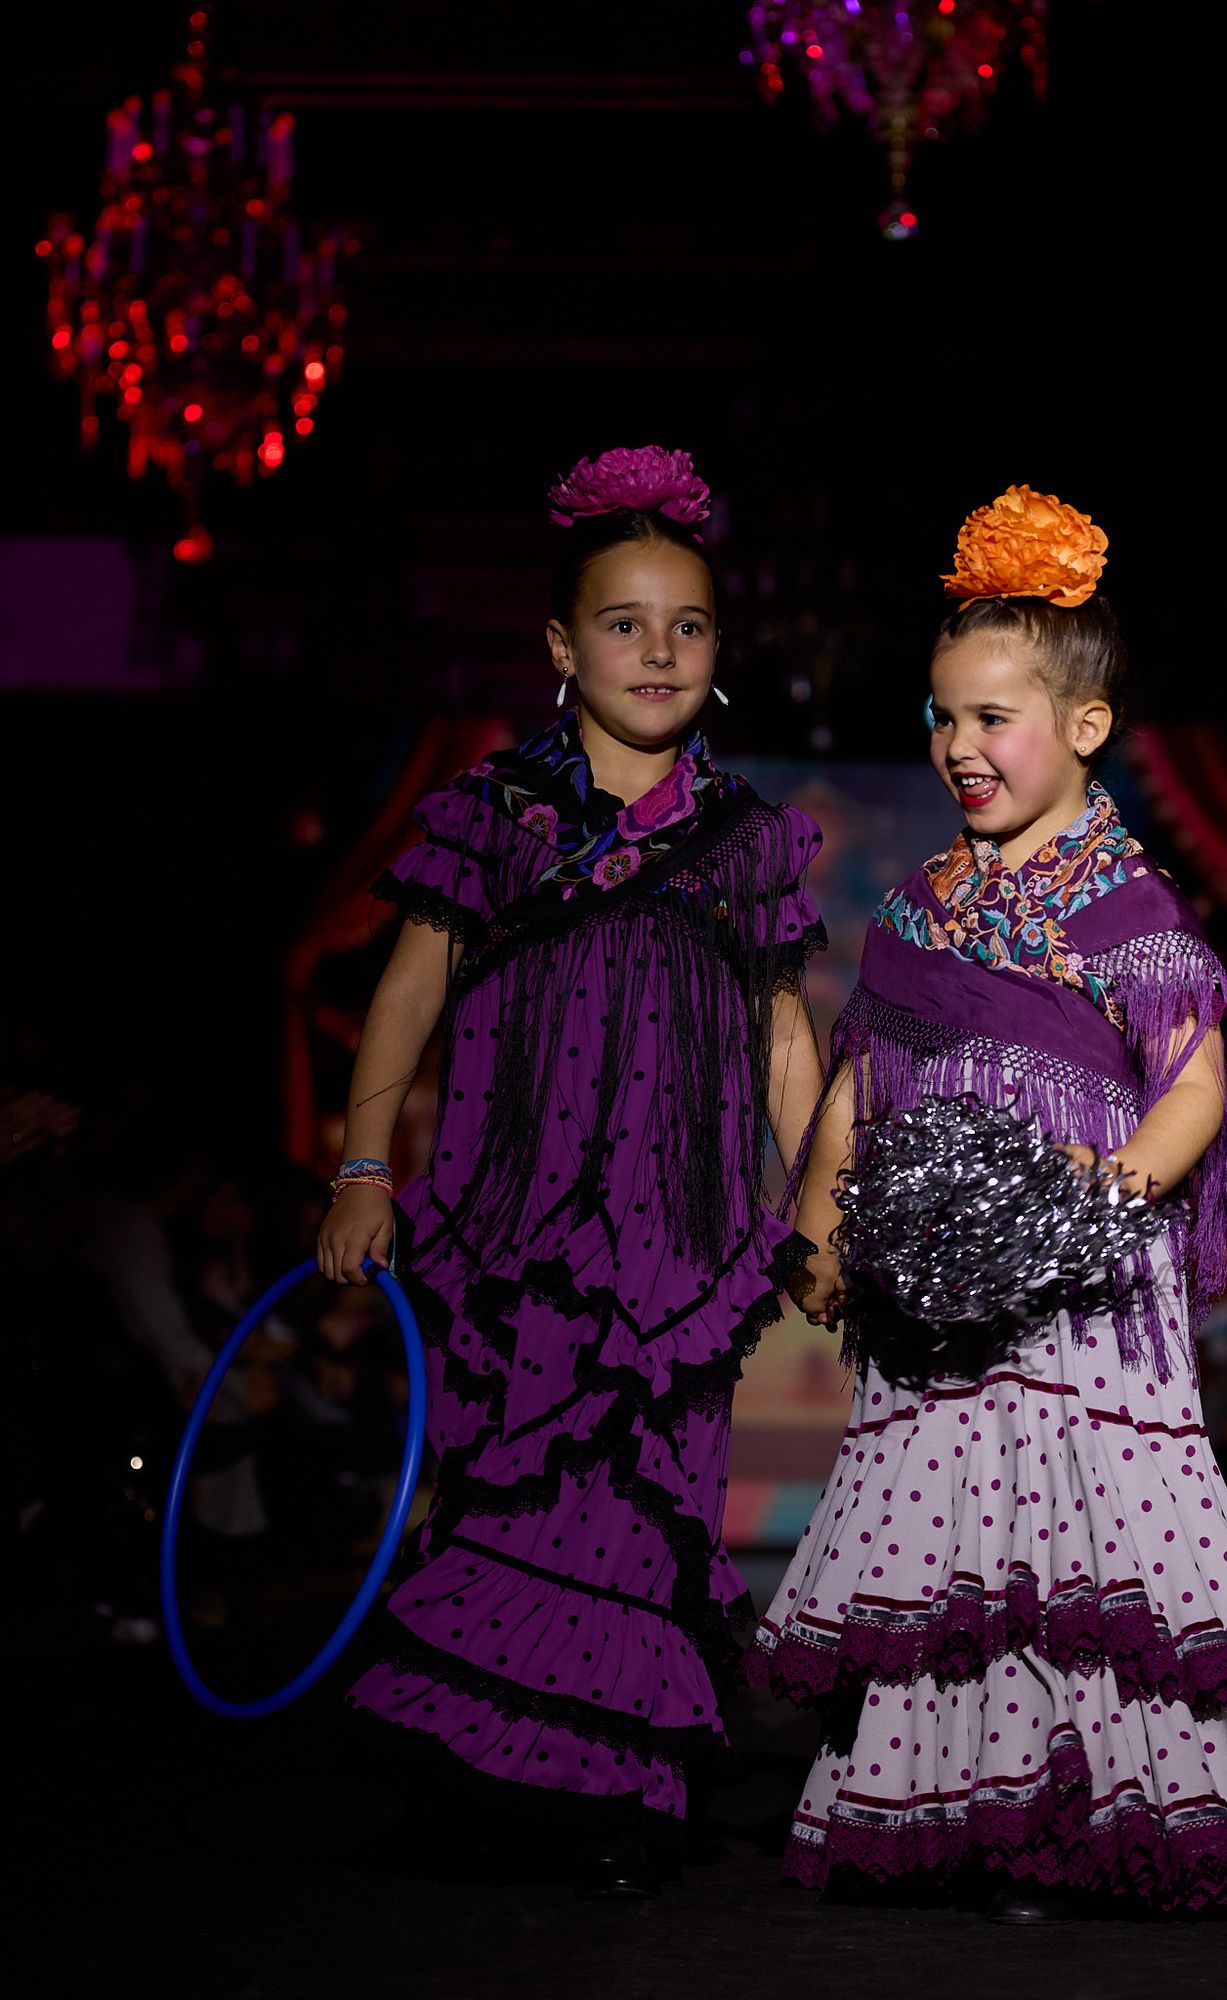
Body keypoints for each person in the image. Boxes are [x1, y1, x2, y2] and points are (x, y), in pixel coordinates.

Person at [752, 485, 1227, 1919]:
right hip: (938, 1301)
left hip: (1084, 1293)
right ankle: (952, 1814)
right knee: (954, 1551)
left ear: (1083, 728)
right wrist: (820, 1225)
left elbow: (1196, 1087)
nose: (959, 747)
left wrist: (1113, 1189)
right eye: (943, 717)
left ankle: (1102, 1817)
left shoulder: (1128, 903)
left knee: (1085, 1556)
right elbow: (856, 1086)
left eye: (993, 718)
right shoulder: (914, 912)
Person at [318, 446, 827, 1898]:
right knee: (495, 1493)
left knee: (637, 1504)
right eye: (623, 622)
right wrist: (363, 1166)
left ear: (719, 654)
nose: (657, 652)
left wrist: (815, 1209)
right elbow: (407, 997)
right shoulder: (491, 812)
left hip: (676, 1242)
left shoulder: (749, 841)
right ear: (559, 644)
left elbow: (786, 1039)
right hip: (508, 1221)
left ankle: (612, 1789)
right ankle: (472, 1780)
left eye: (688, 627)